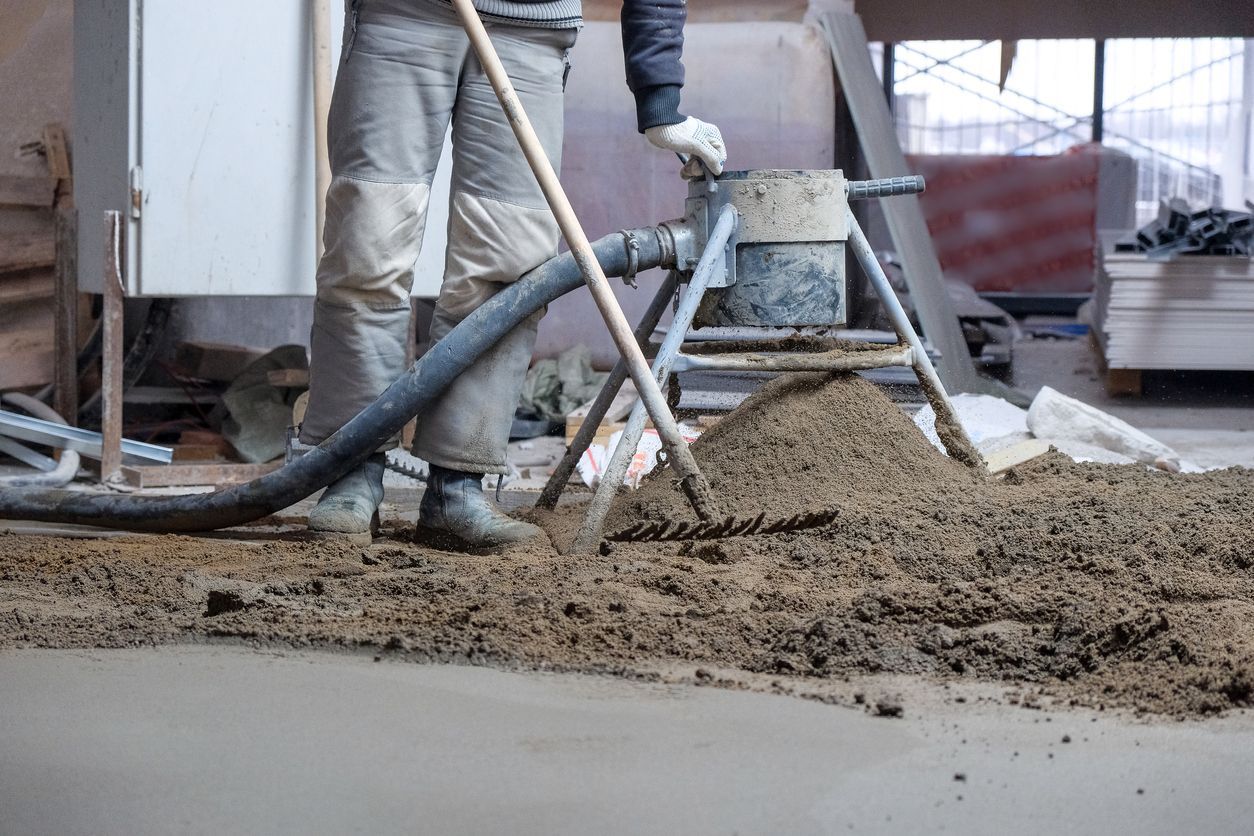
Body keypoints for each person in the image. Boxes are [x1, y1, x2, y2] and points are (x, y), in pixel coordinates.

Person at [300, 0, 727, 548]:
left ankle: (457, 484)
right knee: (369, 242)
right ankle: (350, 470)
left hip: (530, 31)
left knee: (506, 266)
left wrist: (660, 94)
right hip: (404, 16)